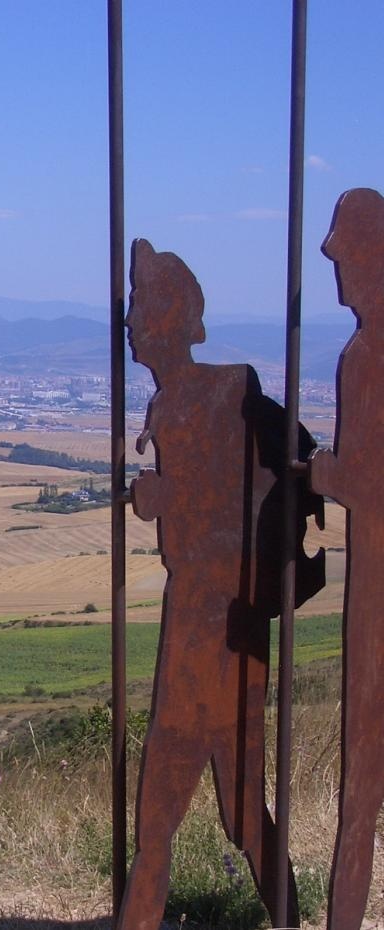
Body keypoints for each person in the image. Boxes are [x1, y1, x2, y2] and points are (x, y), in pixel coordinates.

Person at [119, 239, 323, 930]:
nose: (130, 321)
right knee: (240, 811)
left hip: (204, 631)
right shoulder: (213, 394)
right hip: (236, 632)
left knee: (162, 818)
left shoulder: (187, 405)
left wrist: (163, 499)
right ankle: (290, 920)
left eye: (140, 304)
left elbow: (208, 525)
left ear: (169, 317)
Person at [308, 187, 384, 930]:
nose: (339, 277)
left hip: (376, 593)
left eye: (348, 259)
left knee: (362, 788)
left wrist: (322, 473)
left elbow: (366, 483)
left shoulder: (365, 358)